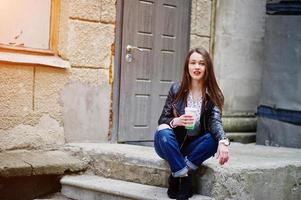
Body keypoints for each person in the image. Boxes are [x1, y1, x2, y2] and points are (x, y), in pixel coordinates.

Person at [154, 47, 230, 200]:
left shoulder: (214, 94)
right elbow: (163, 119)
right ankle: (186, 180)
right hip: (170, 145)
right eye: (193, 63)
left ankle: (177, 175)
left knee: (212, 139)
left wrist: (223, 141)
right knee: (162, 131)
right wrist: (176, 121)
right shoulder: (176, 89)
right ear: (187, 66)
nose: (196, 67)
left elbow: (215, 121)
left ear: (207, 67)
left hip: (193, 147)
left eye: (201, 63)